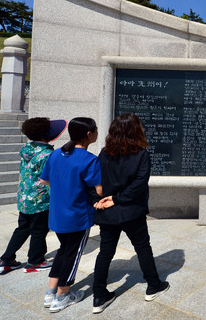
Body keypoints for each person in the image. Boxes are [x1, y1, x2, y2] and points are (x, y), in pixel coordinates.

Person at [91, 113, 169, 314]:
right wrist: (115, 199)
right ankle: (153, 285)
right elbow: (139, 184)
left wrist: (102, 200)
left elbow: (96, 180)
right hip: (131, 211)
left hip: (108, 210)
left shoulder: (104, 153)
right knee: (142, 248)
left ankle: (99, 295)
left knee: (105, 252)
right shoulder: (141, 154)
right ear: (136, 130)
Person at [39, 117, 102, 313]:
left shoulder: (56, 154)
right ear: (89, 134)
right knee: (72, 256)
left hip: (57, 215)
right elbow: (99, 191)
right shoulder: (90, 159)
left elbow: (44, 181)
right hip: (78, 216)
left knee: (63, 251)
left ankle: (51, 292)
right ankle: (62, 296)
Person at [0, 118, 67, 273]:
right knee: (39, 231)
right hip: (40, 200)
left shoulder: (26, 149)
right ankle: (35, 261)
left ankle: (6, 259)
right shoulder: (47, 154)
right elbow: (49, 180)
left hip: (24, 199)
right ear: (44, 135)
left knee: (22, 228)